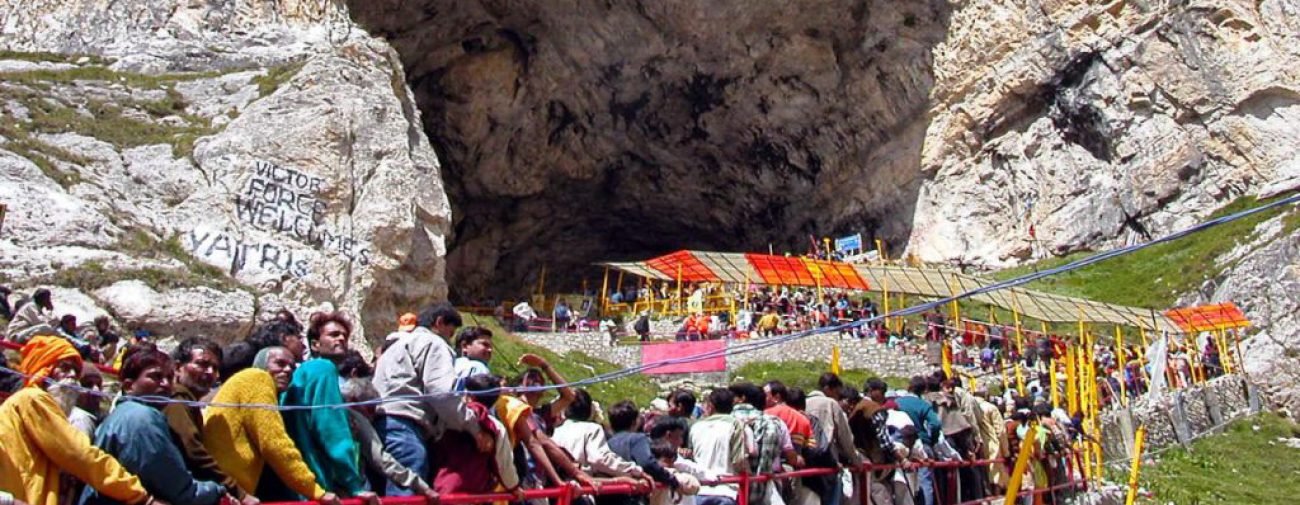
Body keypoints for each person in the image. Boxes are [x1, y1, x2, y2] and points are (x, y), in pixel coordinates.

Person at [0, 336, 157, 505]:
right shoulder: (32, 398)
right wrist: (139, 495)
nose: (73, 375)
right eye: (65, 367)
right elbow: (78, 454)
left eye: (76, 370)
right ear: (44, 369)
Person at [80, 347, 225, 505]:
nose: (165, 384)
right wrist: (218, 491)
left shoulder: (121, 415)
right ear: (129, 386)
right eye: (156, 377)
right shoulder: (142, 418)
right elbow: (176, 487)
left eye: (169, 378)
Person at [373, 303, 489, 497]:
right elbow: (442, 394)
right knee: (405, 496)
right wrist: (473, 426)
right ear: (439, 322)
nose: (450, 340)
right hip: (407, 429)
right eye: (450, 333)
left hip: (380, 426)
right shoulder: (434, 344)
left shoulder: (396, 346)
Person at [202, 347, 340, 505]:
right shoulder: (257, 378)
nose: (288, 370)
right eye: (280, 364)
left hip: (223, 487)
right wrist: (315, 491)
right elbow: (274, 442)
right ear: (262, 364)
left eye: (292, 367)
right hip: (225, 491)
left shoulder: (246, 382)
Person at [278, 312, 375, 502]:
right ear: (315, 344)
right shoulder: (322, 369)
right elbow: (330, 429)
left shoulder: (302, 374)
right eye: (333, 335)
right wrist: (353, 484)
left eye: (344, 336)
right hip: (319, 479)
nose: (341, 339)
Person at [162, 338, 255, 504]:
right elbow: (194, 451)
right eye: (202, 364)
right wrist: (238, 491)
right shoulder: (177, 401)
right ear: (177, 368)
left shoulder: (189, 403)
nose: (210, 372)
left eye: (215, 368)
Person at [339, 377, 439, 502]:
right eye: (371, 409)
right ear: (354, 401)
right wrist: (420, 485)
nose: (373, 416)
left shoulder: (322, 412)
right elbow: (380, 459)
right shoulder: (354, 416)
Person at [430, 374, 523, 497]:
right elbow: (503, 464)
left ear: (470, 395)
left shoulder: (449, 417)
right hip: (473, 493)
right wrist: (514, 487)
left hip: (440, 489)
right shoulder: (495, 426)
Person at [552, 390, 651, 485]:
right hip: (581, 489)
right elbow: (600, 459)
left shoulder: (555, 430)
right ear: (589, 410)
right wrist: (632, 470)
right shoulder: (591, 429)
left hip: (553, 488)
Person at [689, 389, 749, 505]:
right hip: (726, 489)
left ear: (710, 405)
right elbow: (738, 461)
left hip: (700, 489)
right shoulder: (735, 424)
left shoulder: (696, 426)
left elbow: (691, 458)